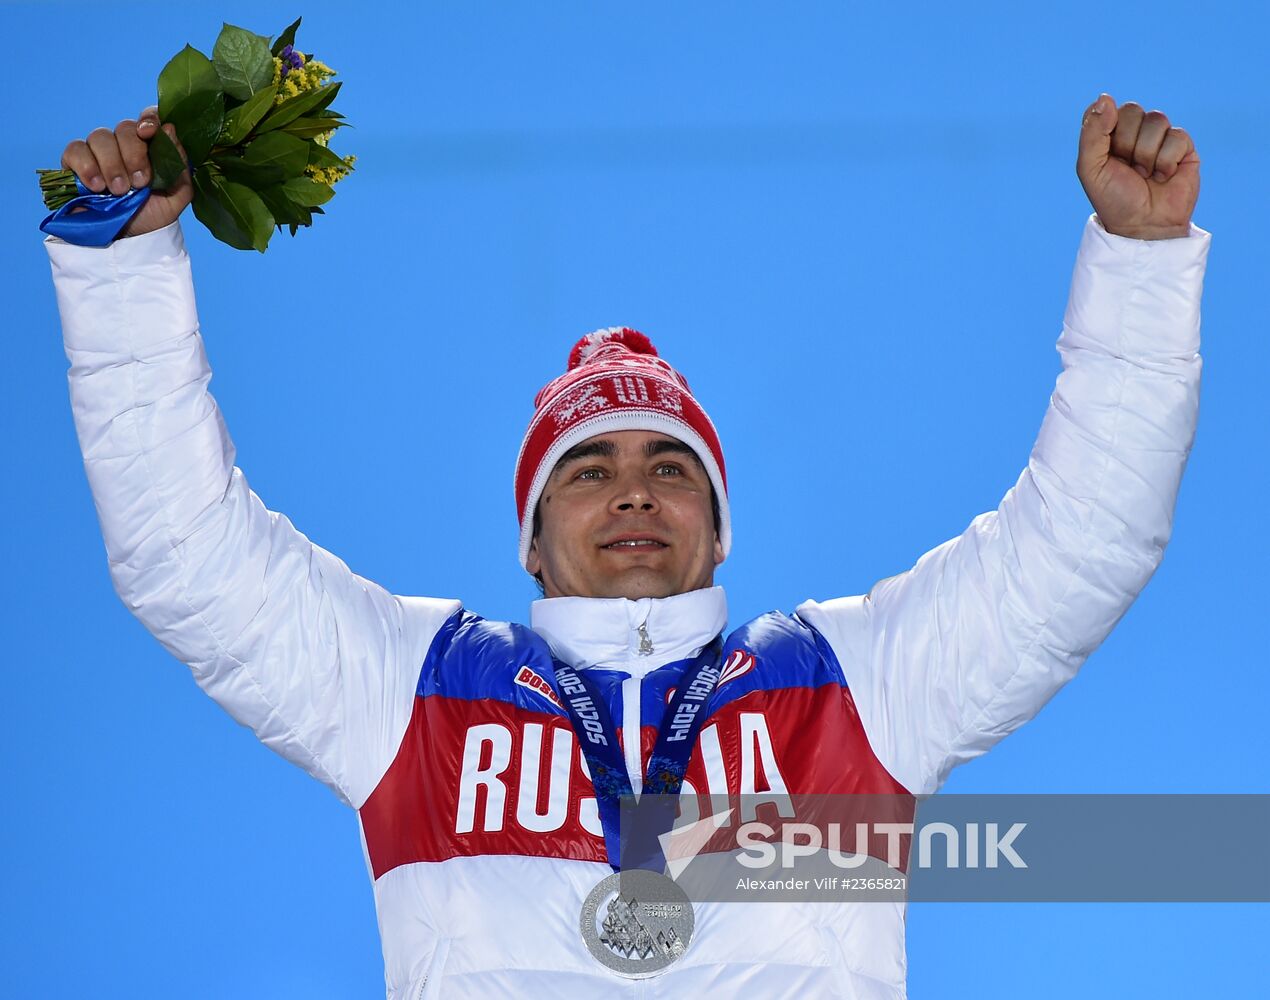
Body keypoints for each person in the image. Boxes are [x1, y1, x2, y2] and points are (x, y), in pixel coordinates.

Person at [47, 92, 1208, 998]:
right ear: (534, 545)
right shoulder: (418, 695)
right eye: (588, 472)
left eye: (670, 469)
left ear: (717, 532)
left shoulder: (850, 690)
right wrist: (126, 273)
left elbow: (1081, 541)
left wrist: (1143, 269)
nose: (633, 494)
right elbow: (184, 552)